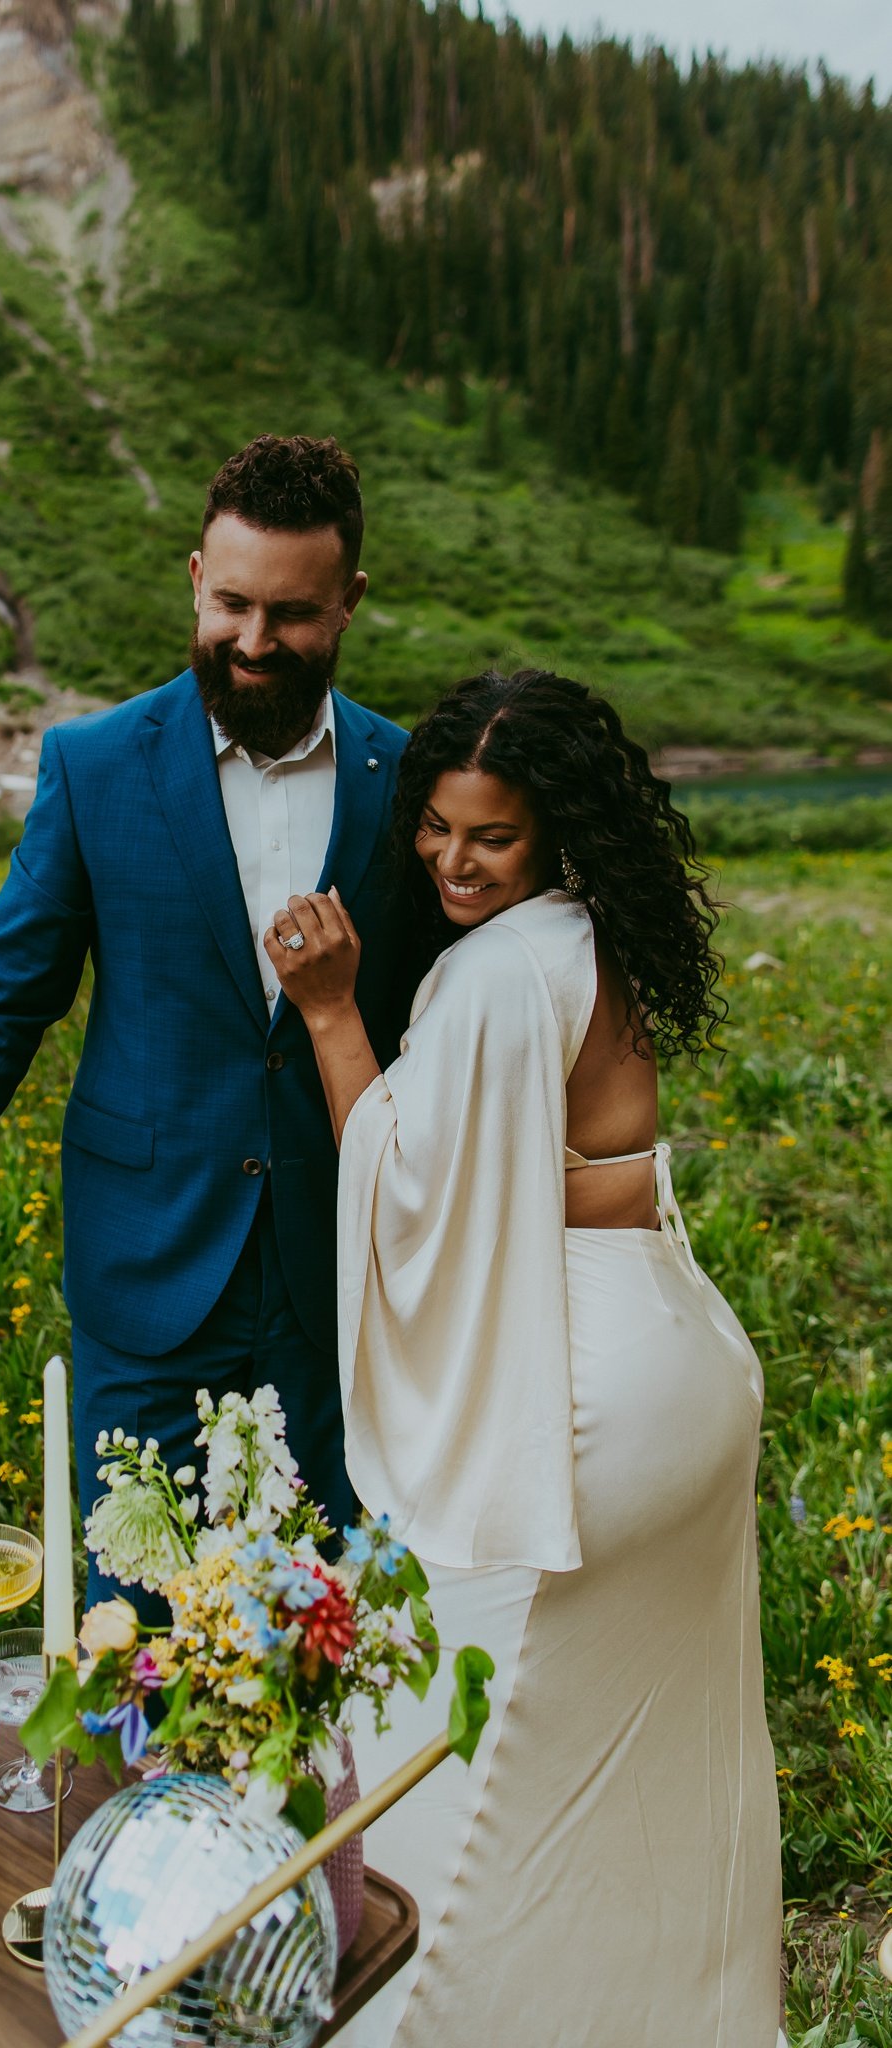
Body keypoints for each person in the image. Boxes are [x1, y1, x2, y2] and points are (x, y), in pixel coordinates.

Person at [267, 669, 784, 2047]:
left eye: (487, 836)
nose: (450, 860)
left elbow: (409, 1191)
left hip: (580, 1398)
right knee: (649, 1744)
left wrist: (328, 1010)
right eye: (433, 828)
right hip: (680, 1355)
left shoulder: (493, 976)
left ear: (549, 829)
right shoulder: (589, 931)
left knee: (456, 1748)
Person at [0, 434, 417, 1607]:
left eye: (294, 615)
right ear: (194, 574)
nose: (255, 643)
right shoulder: (95, 764)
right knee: (135, 1634)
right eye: (232, 604)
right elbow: (2, 999)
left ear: (351, 603)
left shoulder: (404, 781)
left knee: (323, 1637)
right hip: (148, 1278)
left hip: (339, 1290)